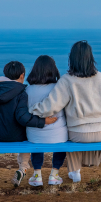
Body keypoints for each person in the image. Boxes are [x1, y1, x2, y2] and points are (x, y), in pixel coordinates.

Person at [29, 41, 101, 183]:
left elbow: (51, 106)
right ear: (90, 58)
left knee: (67, 135)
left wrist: (32, 109)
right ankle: (77, 170)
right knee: (73, 133)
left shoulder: (67, 80)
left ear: (71, 59)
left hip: (79, 134)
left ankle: (75, 171)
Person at [0, 60, 57, 187]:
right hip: (18, 136)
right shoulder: (21, 92)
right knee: (26, 138)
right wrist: (43, 121)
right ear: (22, 75)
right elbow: (22, 117)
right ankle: (22, 169)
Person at [25, 55, 68, 186]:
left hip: (34, 133)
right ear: (53, 69)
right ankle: (54, 174)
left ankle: (37, 175)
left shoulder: (28, 89)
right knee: (62, 142)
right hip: (58, 133)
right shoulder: (58, 88)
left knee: (36, 143)